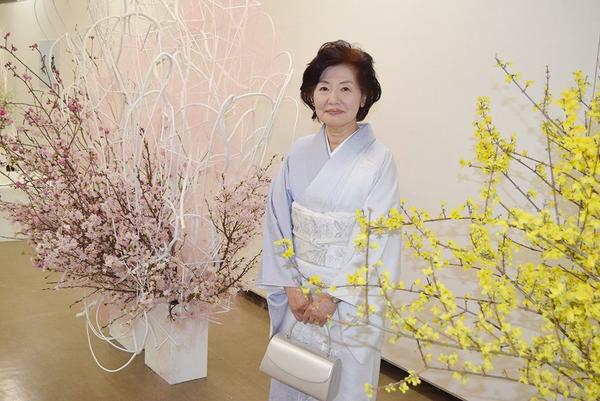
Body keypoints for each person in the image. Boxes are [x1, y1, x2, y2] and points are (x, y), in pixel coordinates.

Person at [258, 40, 401, 401]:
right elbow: (277, 222)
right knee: (294, 374)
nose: (333, 99)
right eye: (324, 88)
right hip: (298, 293)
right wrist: (290, 288)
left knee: (344, 384)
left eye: (346, 89)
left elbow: (377, 238)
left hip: (346, 298)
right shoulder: (298, 152)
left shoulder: (379, 160)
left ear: (364, 97)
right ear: (312, 95)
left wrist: (331, 298)